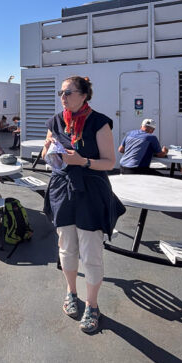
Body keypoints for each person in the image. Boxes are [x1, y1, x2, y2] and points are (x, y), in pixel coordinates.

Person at [40, 76, 123, 334]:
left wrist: (83, 161)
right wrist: (49, 153)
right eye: (61, 93)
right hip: (62, 189)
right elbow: (45, 154)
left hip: (90, 191)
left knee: (90, 251)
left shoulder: (99, 123)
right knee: (66, 246)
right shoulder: (56, 121)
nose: (63, 97)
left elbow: (109, 162)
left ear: (84, 95)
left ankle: (92, 305)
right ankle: (71, 292)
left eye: (68, 92)